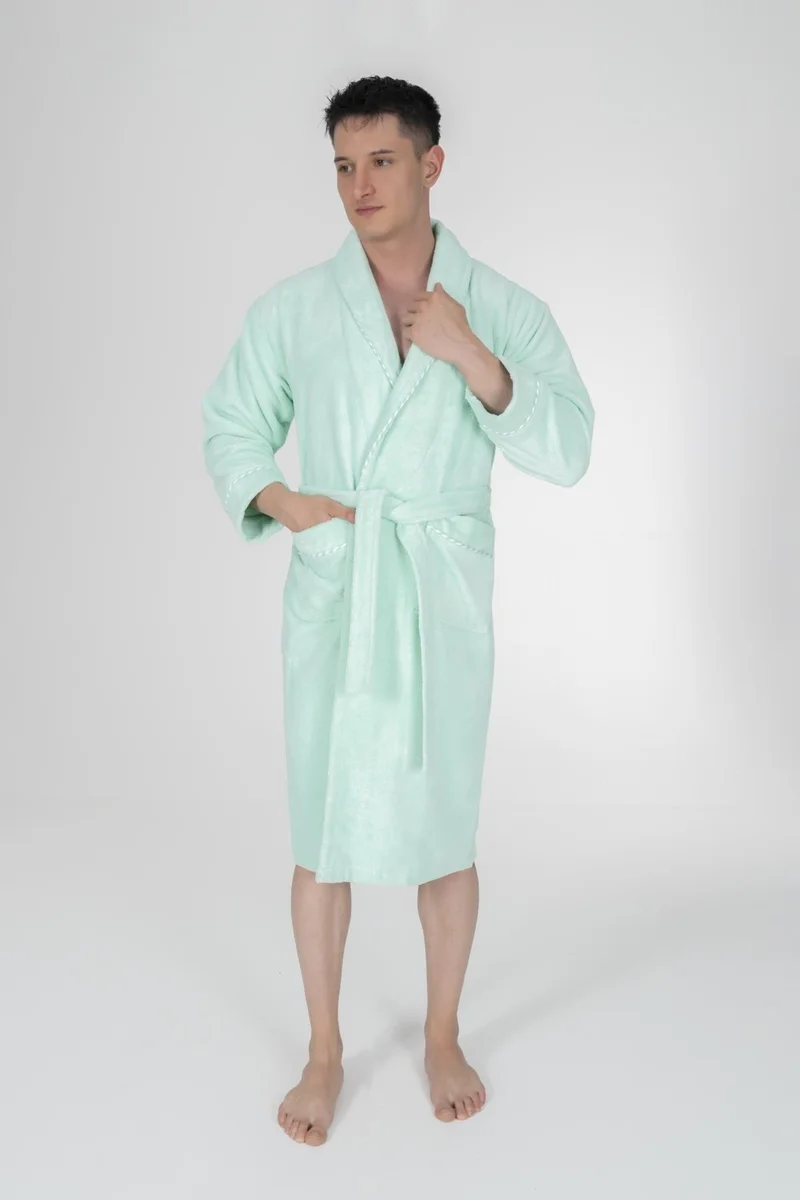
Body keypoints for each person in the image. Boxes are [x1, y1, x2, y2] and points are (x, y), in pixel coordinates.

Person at [201, 74, 594, 1146]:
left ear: (431, 164)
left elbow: (569, 443)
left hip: (436, 595)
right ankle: (324, 1050)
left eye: (380, 160)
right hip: (341, 587)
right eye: (343, 165)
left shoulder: (499, 306)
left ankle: (441, 1033)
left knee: (444, 829)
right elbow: (232, 422)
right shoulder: (295, 308)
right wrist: (286, 503)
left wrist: (470, 354)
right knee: (320, 831)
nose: (359, 185)